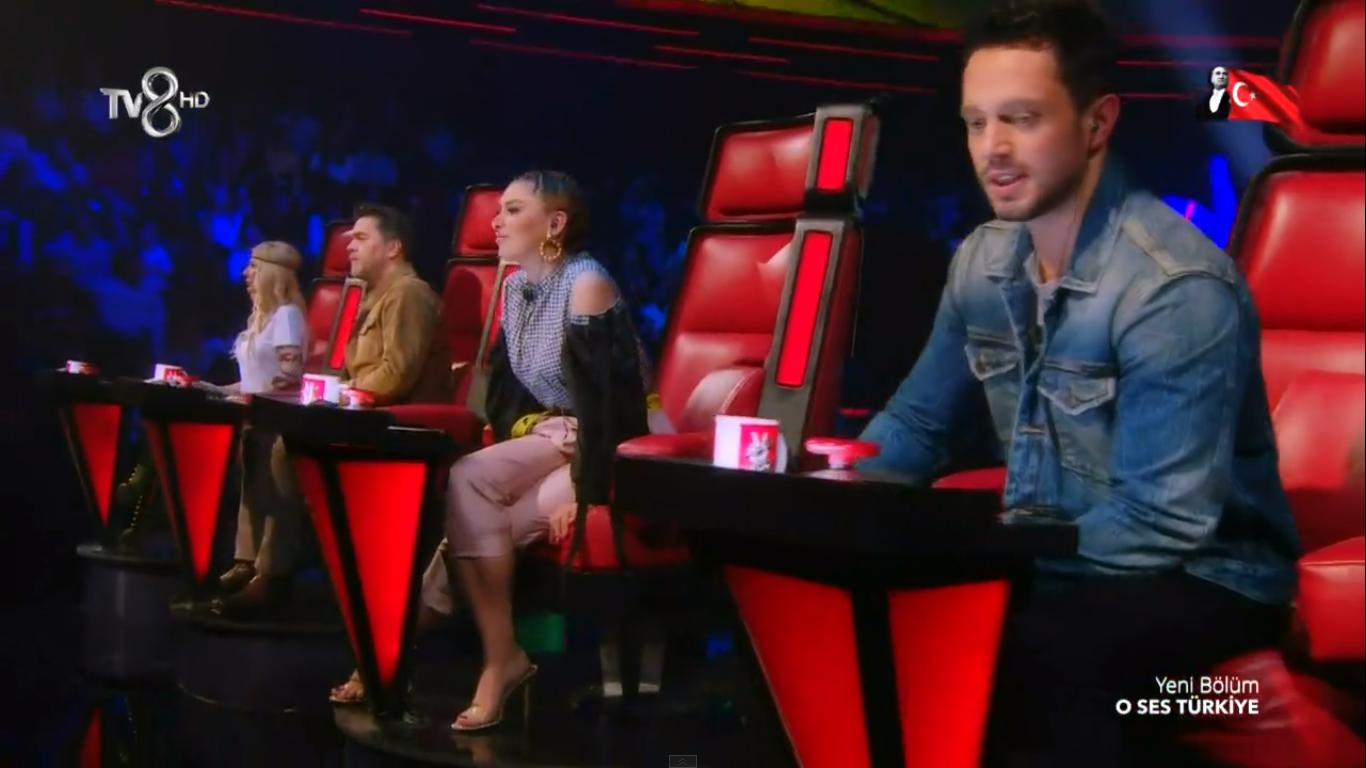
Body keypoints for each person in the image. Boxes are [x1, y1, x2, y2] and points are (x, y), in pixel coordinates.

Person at [856, 1, 1298, 764]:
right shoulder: (981, 262)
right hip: (1062, 554)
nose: (992, 149)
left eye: (1021, 119)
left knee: (1039, 653)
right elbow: (917, 427)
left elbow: (1161, 523)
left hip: (1211, 580)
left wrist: (983, 551)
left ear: (1097, 124)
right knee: (878, 609)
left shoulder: (1174, 286)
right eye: (976, 123)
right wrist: (826, 499)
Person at [329, 173, 661, 730]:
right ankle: (499, 655)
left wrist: (589, 491)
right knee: (470, 487)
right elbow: (508, 398)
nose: (495, 221)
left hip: (611, 441)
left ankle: (425, 658)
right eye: (498, 210)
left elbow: (611, 409)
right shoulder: (514, 288)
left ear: (554, 224)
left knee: (473, 529)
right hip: (553, 432)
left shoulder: (587, 284)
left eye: (512, 209)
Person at [201, 241, 310, 614]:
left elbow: (289, 377)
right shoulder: (260, 320)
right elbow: (253, 381)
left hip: (276, 420)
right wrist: (216, 390)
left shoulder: (288, 317)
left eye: (254, 267)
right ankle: (244, 561)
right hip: (254, 417)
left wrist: (250, 396)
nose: (246, 274)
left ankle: (268, 573)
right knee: (252, 492)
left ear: (272, 274)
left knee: (273, 497)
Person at [341, 202, 453, 405]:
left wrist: (346, 392)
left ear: (393, 248)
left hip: (396, 417)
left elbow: (395, 377)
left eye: (361, 238)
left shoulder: (408, 292)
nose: (350, 247)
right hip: (365, 409)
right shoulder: (372, 298)